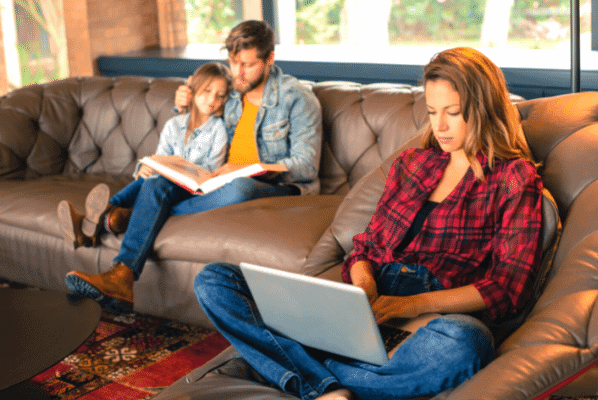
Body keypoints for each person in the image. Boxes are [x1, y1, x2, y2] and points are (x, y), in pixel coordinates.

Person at [194, 47, 544, 400]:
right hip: (368, 303)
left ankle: (294, 370)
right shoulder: (413, 164)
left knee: (468, 343)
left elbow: (507, 287)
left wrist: (411, 305)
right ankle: (324, 383)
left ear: (482, 109)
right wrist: (364, 289)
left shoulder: (514, 178)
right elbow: (367, 246)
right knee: (215, 279)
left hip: (434, 316)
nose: (439, 126)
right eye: (433, 112)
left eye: (453, 113)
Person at [62, 20, 323, 312]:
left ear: (269, 60)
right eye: (233, 62)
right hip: (216, 180)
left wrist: (246, 168)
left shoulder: (297, 98)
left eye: (247, 65)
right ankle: (121, 276)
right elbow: (204, 118)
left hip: (276, 187)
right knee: (157, 182)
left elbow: (306, 166)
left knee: (239, 187)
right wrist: (184, 107)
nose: (238, 73)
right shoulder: (233, 94)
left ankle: (131, 216)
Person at [60, 61, 233, 311]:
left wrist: (178, 170)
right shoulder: (175, 125)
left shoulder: (218, 129)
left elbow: (210, 169)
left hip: (191, 187)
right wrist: (147, 166)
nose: (213, 100)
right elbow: (160, 155)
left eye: (220, 95)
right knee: (148, 177)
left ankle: (103, 232)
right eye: (206, 91)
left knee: (157, 182)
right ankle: (106, 217)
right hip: (164, 180)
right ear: (192, 90)